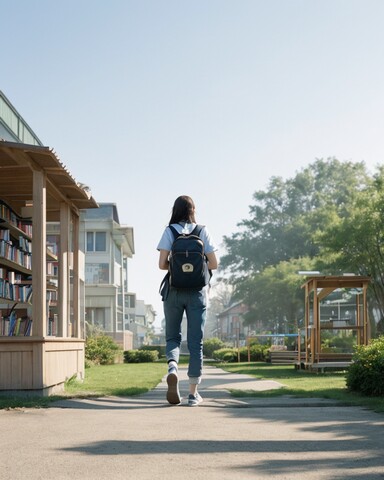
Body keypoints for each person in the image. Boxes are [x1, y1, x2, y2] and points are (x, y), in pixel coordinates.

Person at [157, 195, 218, 406]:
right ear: (193, 209)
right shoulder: (202, 230)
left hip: (174, 290)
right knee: (195, 343)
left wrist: (179, 267)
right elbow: (214, 263)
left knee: (173, 337)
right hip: (197, 293)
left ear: (175, 209)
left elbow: (162, 265)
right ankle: (193, 394)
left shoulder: (170, 231)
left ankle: (173, 368)